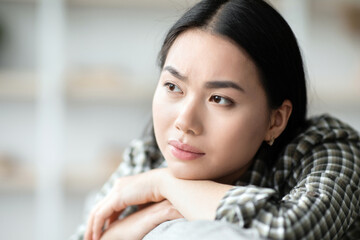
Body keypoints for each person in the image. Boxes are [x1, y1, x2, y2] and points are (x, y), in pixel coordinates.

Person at [71, 0, 360, 239]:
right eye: (173, 87)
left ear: (275, 120)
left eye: (219, 99)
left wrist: (165, 185)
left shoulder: (330, 147)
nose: (185, 122)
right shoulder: (146, 155)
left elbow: (286, 231)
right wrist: (158, 212)